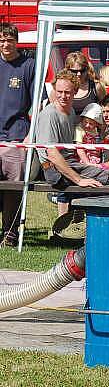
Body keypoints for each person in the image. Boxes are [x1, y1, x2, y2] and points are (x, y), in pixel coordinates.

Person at [37, 70, 109, 215]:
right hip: (54, 169)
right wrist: (78, 180)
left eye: (67, 92)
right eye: (59, 91)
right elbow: (51, 154)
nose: (63, 96)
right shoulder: (49, 115)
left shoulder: (70, 110)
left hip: (71, 163)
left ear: (75, 92)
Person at [0, 22, 35, 246]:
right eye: (2, 41)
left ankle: (10, 236)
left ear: (17, 42)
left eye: (9, 41)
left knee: (13, 189)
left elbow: (38, 104)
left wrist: (30, 135)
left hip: (16, 137)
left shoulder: (28, 66)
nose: (5, 45)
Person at [64, 52, 106, 116]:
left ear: (87, 69)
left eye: (82, 71)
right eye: (74, 71)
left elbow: (105, 110)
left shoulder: (96, 87)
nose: (79, 74)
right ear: (67, 70)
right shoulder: (60, 87)